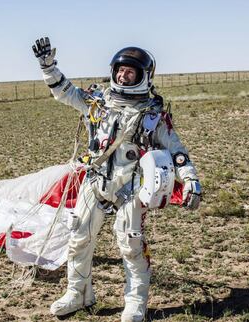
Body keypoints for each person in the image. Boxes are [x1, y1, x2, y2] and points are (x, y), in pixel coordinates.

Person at [32, 37, 201, 322]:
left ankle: (135, 303)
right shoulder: (97, 102)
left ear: (143, 76)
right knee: (78, 238)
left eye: (130, 72)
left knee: (130, 245)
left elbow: (177, 151)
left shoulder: (153, 114)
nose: (123, 75)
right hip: (96, 180)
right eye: (120, 70)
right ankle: (78, 294)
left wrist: (190, 180)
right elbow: (64, 92)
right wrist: (48, 66)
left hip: (130, 186)